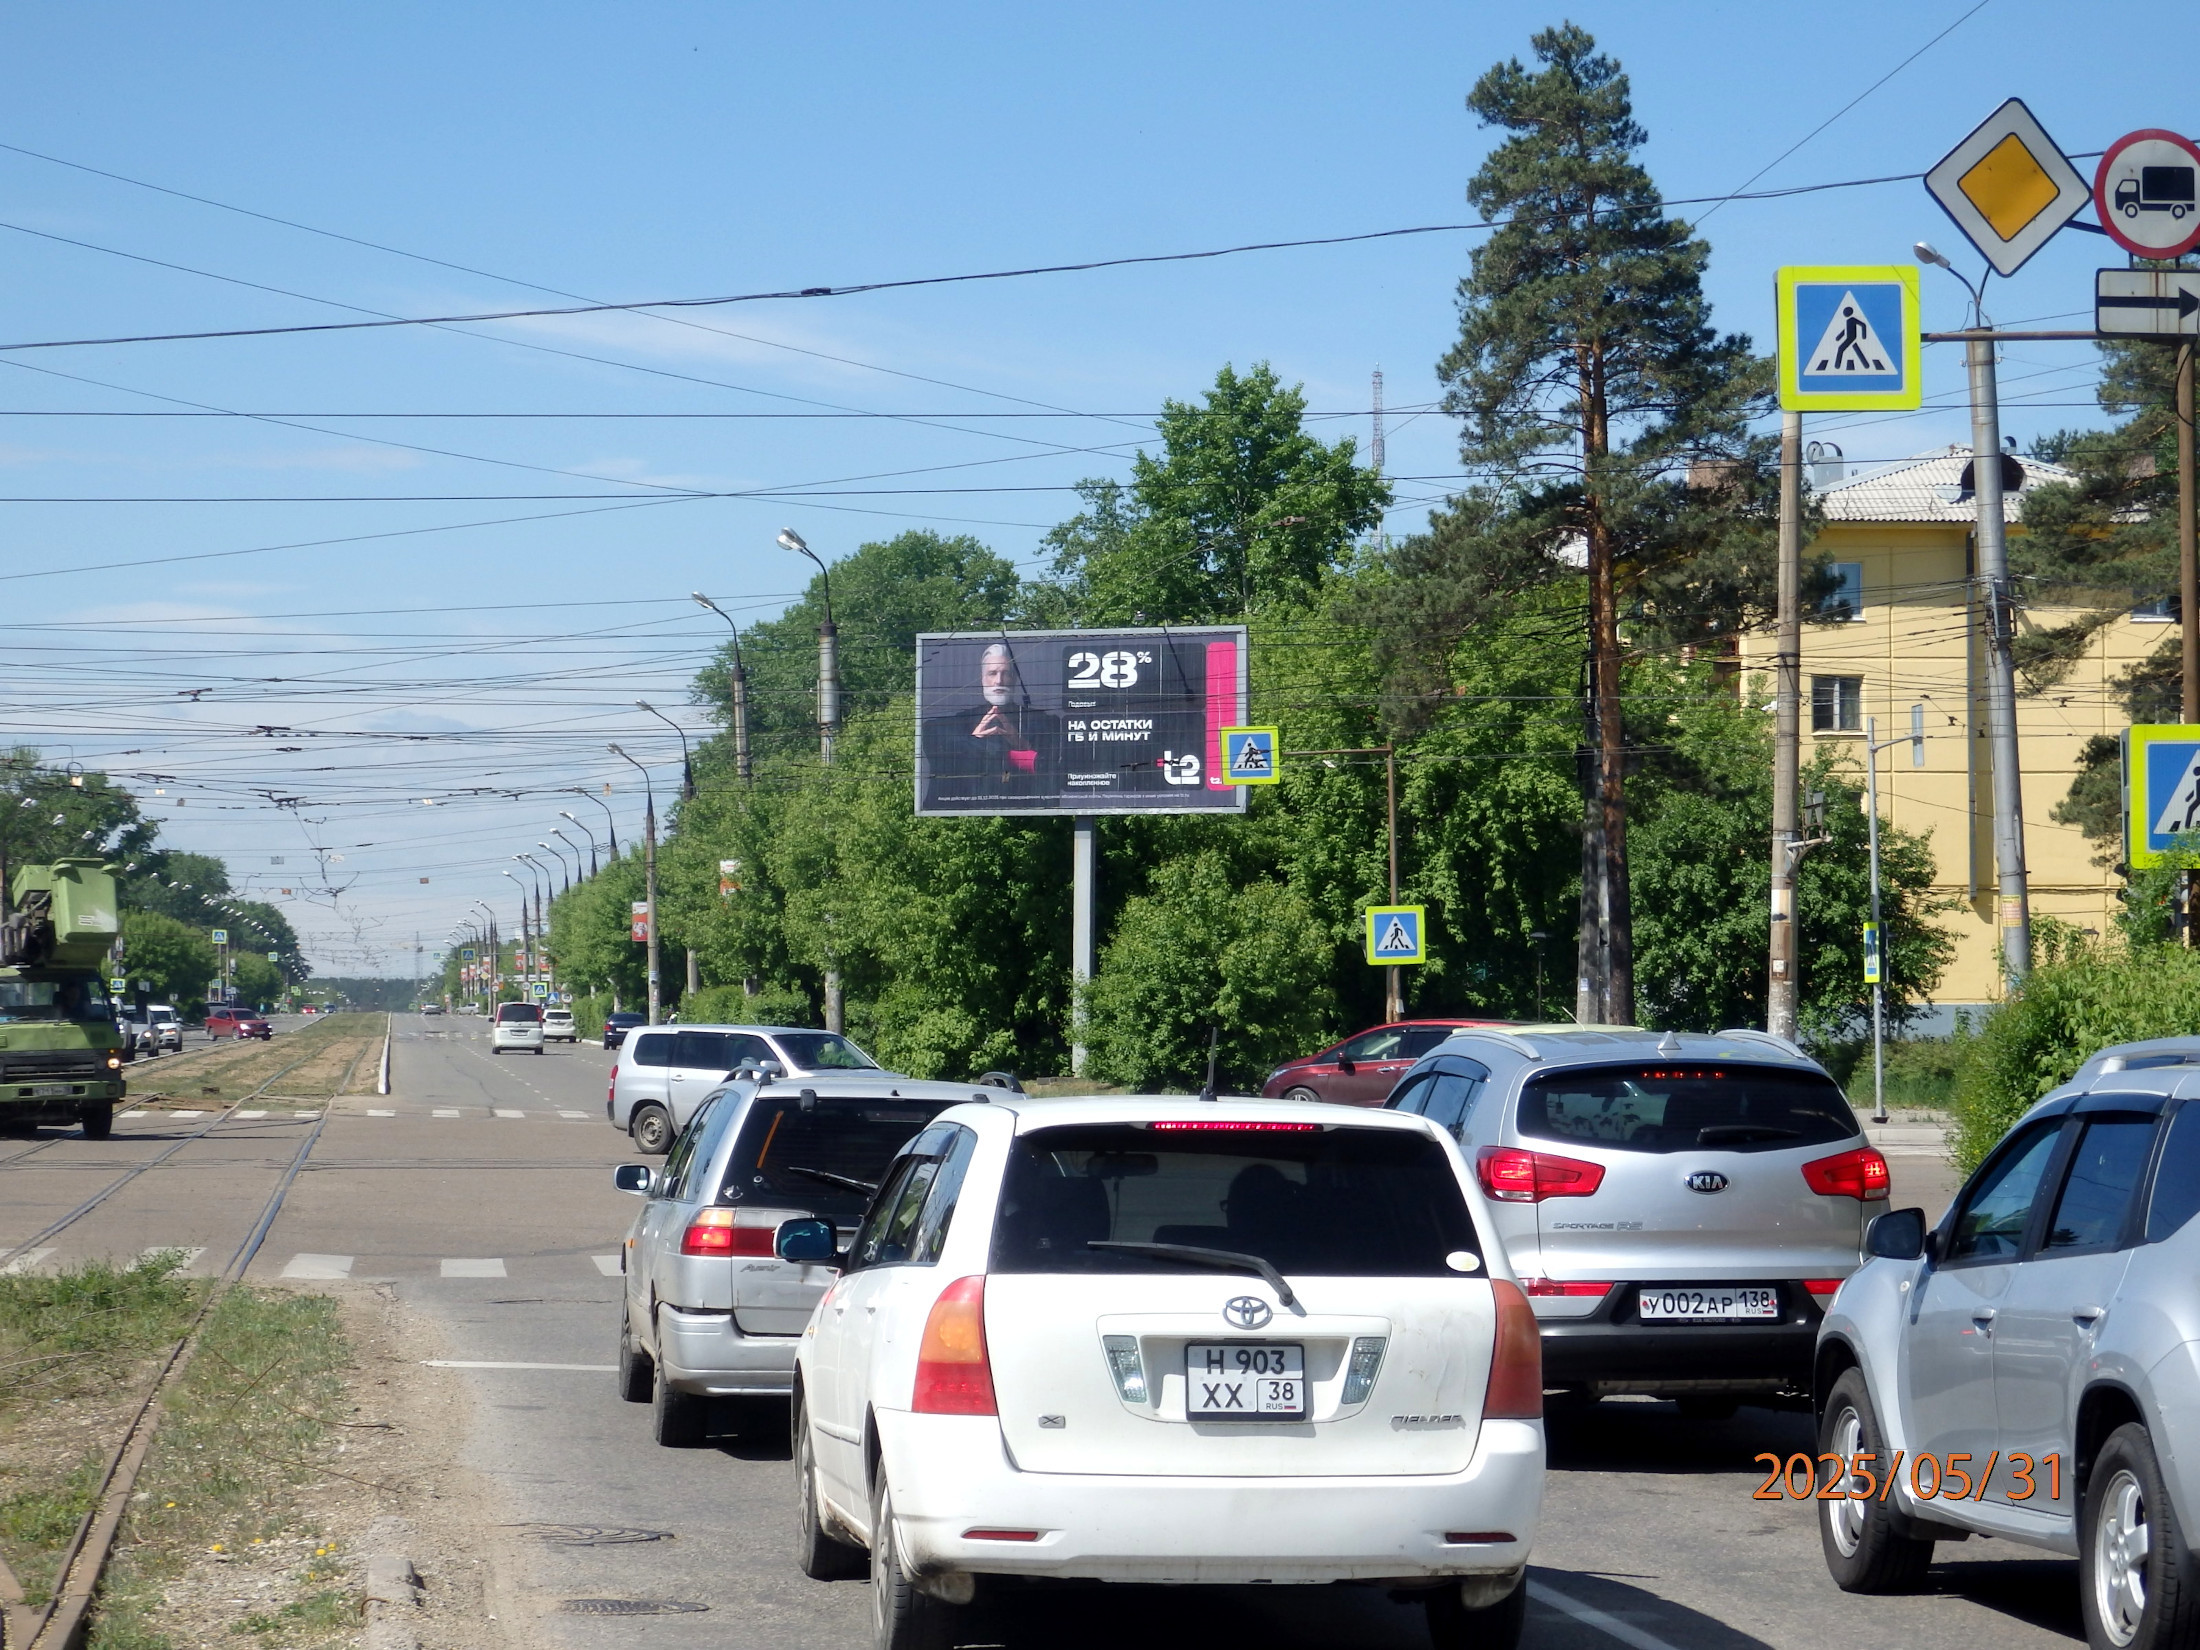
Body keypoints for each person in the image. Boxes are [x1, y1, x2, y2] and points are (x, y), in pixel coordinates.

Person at [921, 641, 1063, 804]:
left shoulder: (1044, 722)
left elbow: (1056, 767)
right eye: (992, 673)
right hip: (963, 812)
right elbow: (938, 745)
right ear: (982, 678)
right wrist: (979, 741)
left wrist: (1020, 743)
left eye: (1006, 673)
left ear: (1015, 679)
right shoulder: (952, 724)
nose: (999, 681)